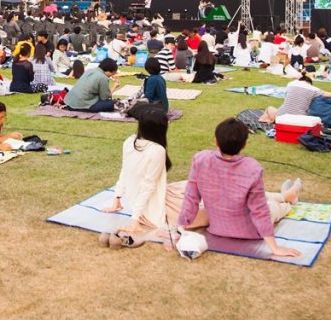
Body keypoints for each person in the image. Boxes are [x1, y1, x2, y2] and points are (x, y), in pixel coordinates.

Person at [178, 117, 303, 258]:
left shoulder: (201, 159)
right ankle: (288, 200)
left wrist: (181, 227)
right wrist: (275, 248)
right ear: (244, 144)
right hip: (250, 231)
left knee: (257, 198)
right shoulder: (251, 167)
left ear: (216, 141)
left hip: (218, 227)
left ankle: (285, 196)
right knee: (271, 206)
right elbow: (260, 211)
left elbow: (191, 197)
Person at [100, 108, 208, 247]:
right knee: (210, 211)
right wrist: (135, 219)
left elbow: (125, 171)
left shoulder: (129, 141)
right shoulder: (157, 150)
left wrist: (117, 198)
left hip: (146, 200)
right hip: (153, 207)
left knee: (195, 188)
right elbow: (147, 186)